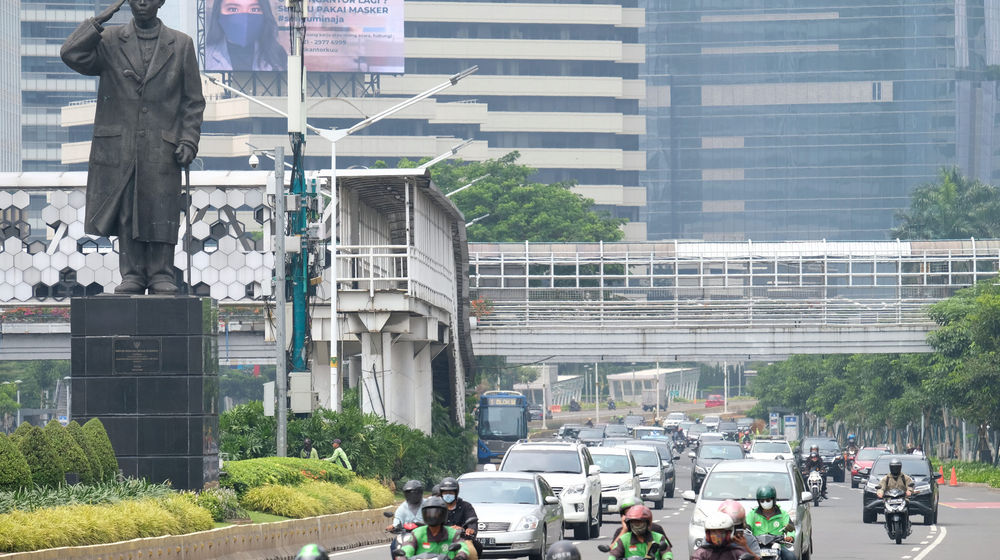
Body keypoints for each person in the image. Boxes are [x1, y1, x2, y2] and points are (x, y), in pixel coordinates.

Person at [61, 0, 204, 295]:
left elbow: (193, 101)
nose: (142, 2)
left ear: (161, 1)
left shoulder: (181, 44)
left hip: (162, 146)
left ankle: (162, 272)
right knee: (127, 210)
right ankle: (133, 273)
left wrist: (189, 139)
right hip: (120, 145)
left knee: (160, 207)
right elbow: (71, 54)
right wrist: (99, 20)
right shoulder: (110, 40)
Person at [204, 0, 286, 71]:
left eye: (254, 9)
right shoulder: (204, 56)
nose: (244, 18)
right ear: (218, 13)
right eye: (233, 9)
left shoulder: (278, 54)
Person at [399, 496, 470, 560]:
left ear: (444, 514)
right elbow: (408, 546)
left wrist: (460, 556)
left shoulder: (453, 533)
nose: (432, 516)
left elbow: (462, 547)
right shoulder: (417, 533)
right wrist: (403, 556)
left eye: (436, 513)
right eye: (429, 513)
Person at [745, 485, 795, 560]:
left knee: (791, 557)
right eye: (762, 501)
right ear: (759, 501)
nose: (765, 503)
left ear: (773, 499)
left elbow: (790, 528)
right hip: (756, 546)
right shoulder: (752, 514)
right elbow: (746, 529)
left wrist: (790, 537)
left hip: (778, 545)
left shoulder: (782, 514)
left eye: (768, 500)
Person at [607, 505, 672, 560]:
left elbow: (667, 553)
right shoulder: (624, 539)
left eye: (639, 522)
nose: (636, 525)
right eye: (634, 522)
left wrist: (667, 558)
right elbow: (614, 554)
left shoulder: (659, 538)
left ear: (647, 522)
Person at [440, 477, 480, 557]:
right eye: (445, 492)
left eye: (451, 492)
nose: (448, 495)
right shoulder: (437, 507)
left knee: (471, 552)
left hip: (462, 540)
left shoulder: (466, 506)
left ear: (456, 493)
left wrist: (469, 530)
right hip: (440, 540)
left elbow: (472, 522)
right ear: (441, 493)